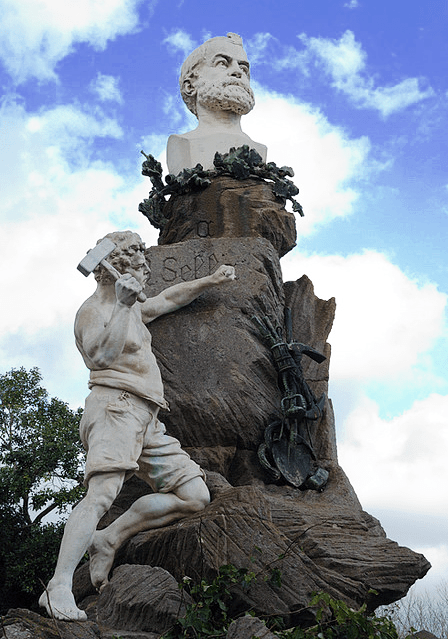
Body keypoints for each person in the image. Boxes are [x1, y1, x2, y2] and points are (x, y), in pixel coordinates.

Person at [39, 230, 235, 621]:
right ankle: (58, 586)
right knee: (100, 495)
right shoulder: (94, 311)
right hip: (116, 408)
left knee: (195, 495)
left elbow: (169, 299)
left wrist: (209, 280)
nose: (147, 270)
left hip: (148, 419)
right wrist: (124, 305)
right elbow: (100, 358)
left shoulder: (133, 308)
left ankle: (109, 538)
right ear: (118, 267)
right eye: (141, 263)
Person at [167, 32, 267, 175]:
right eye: (222, 63)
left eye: (243, 68)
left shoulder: (259, 149)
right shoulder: (182, 143)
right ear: (190, 85)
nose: (237, 72)